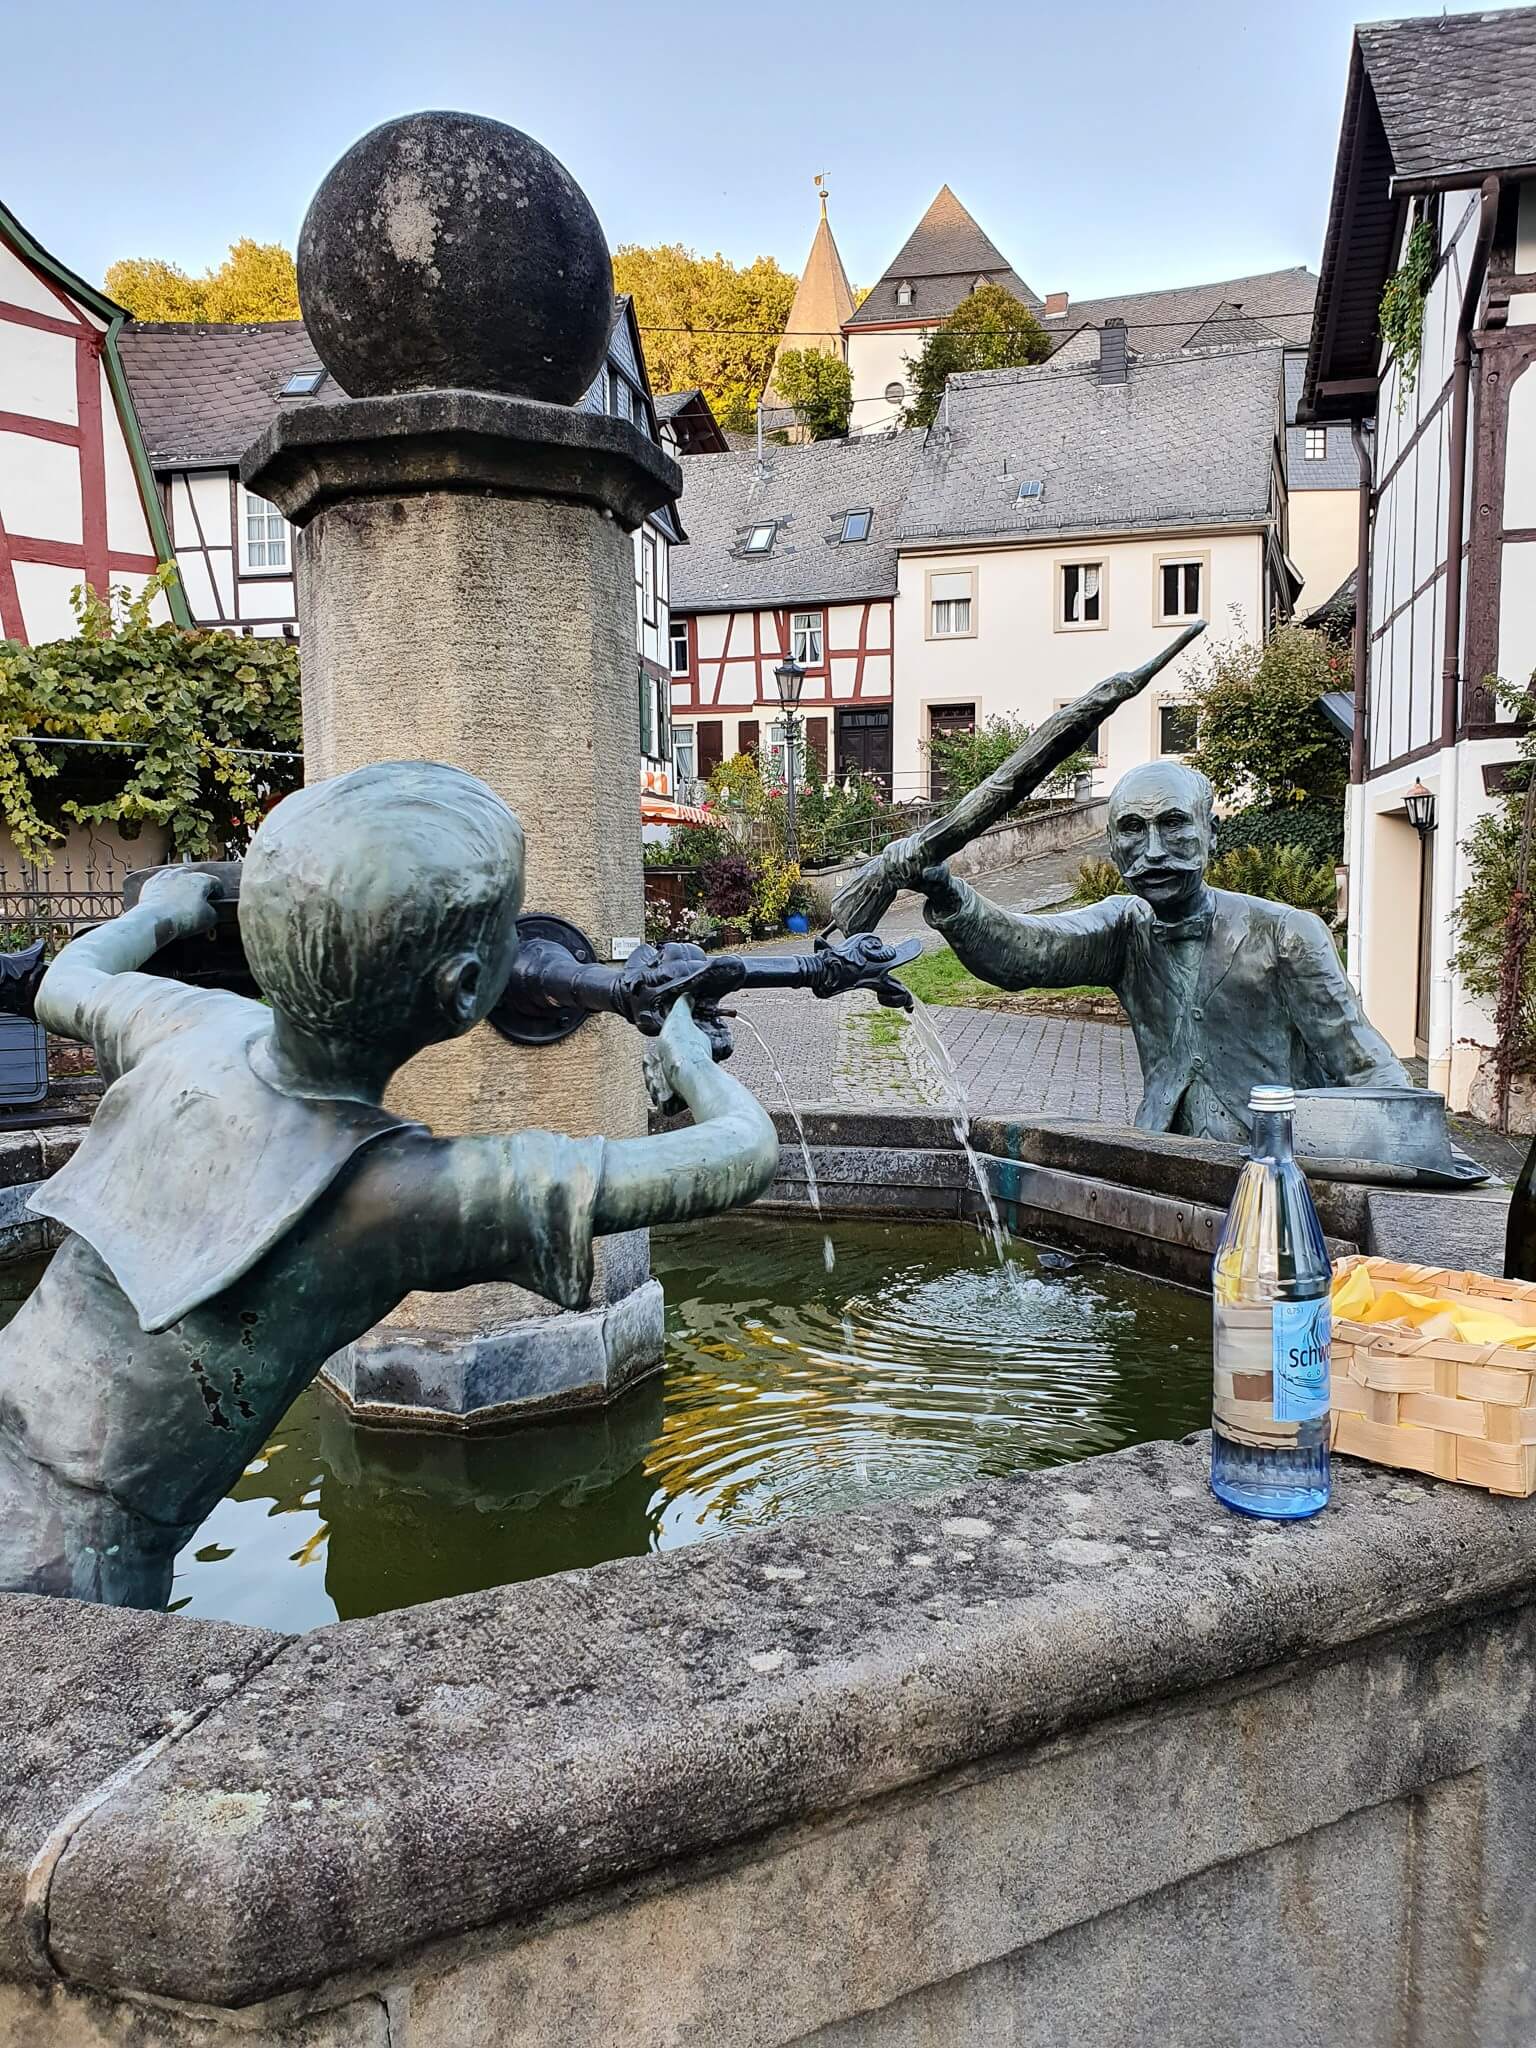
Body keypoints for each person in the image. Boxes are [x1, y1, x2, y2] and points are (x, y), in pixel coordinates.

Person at [0, 761, 778, 1609]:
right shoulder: (392, 1194)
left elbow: (70, 979)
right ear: (465, 992)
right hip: (70, 1564)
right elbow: (738, 1154)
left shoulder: (194, 1025)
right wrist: (689, 1058)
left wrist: (161, 913)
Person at [890, 758, 1411, 1142]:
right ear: (1113, 846)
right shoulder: (1124, 927)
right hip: (1162, 1157)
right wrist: (946, 891)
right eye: (1133, 830)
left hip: (1276, 1172)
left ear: (1211, 832)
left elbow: (1365, 1066)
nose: (1155, 852)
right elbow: (1028, 952)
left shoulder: (1287, 934)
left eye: (1174, 825)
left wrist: (1418, 1150)